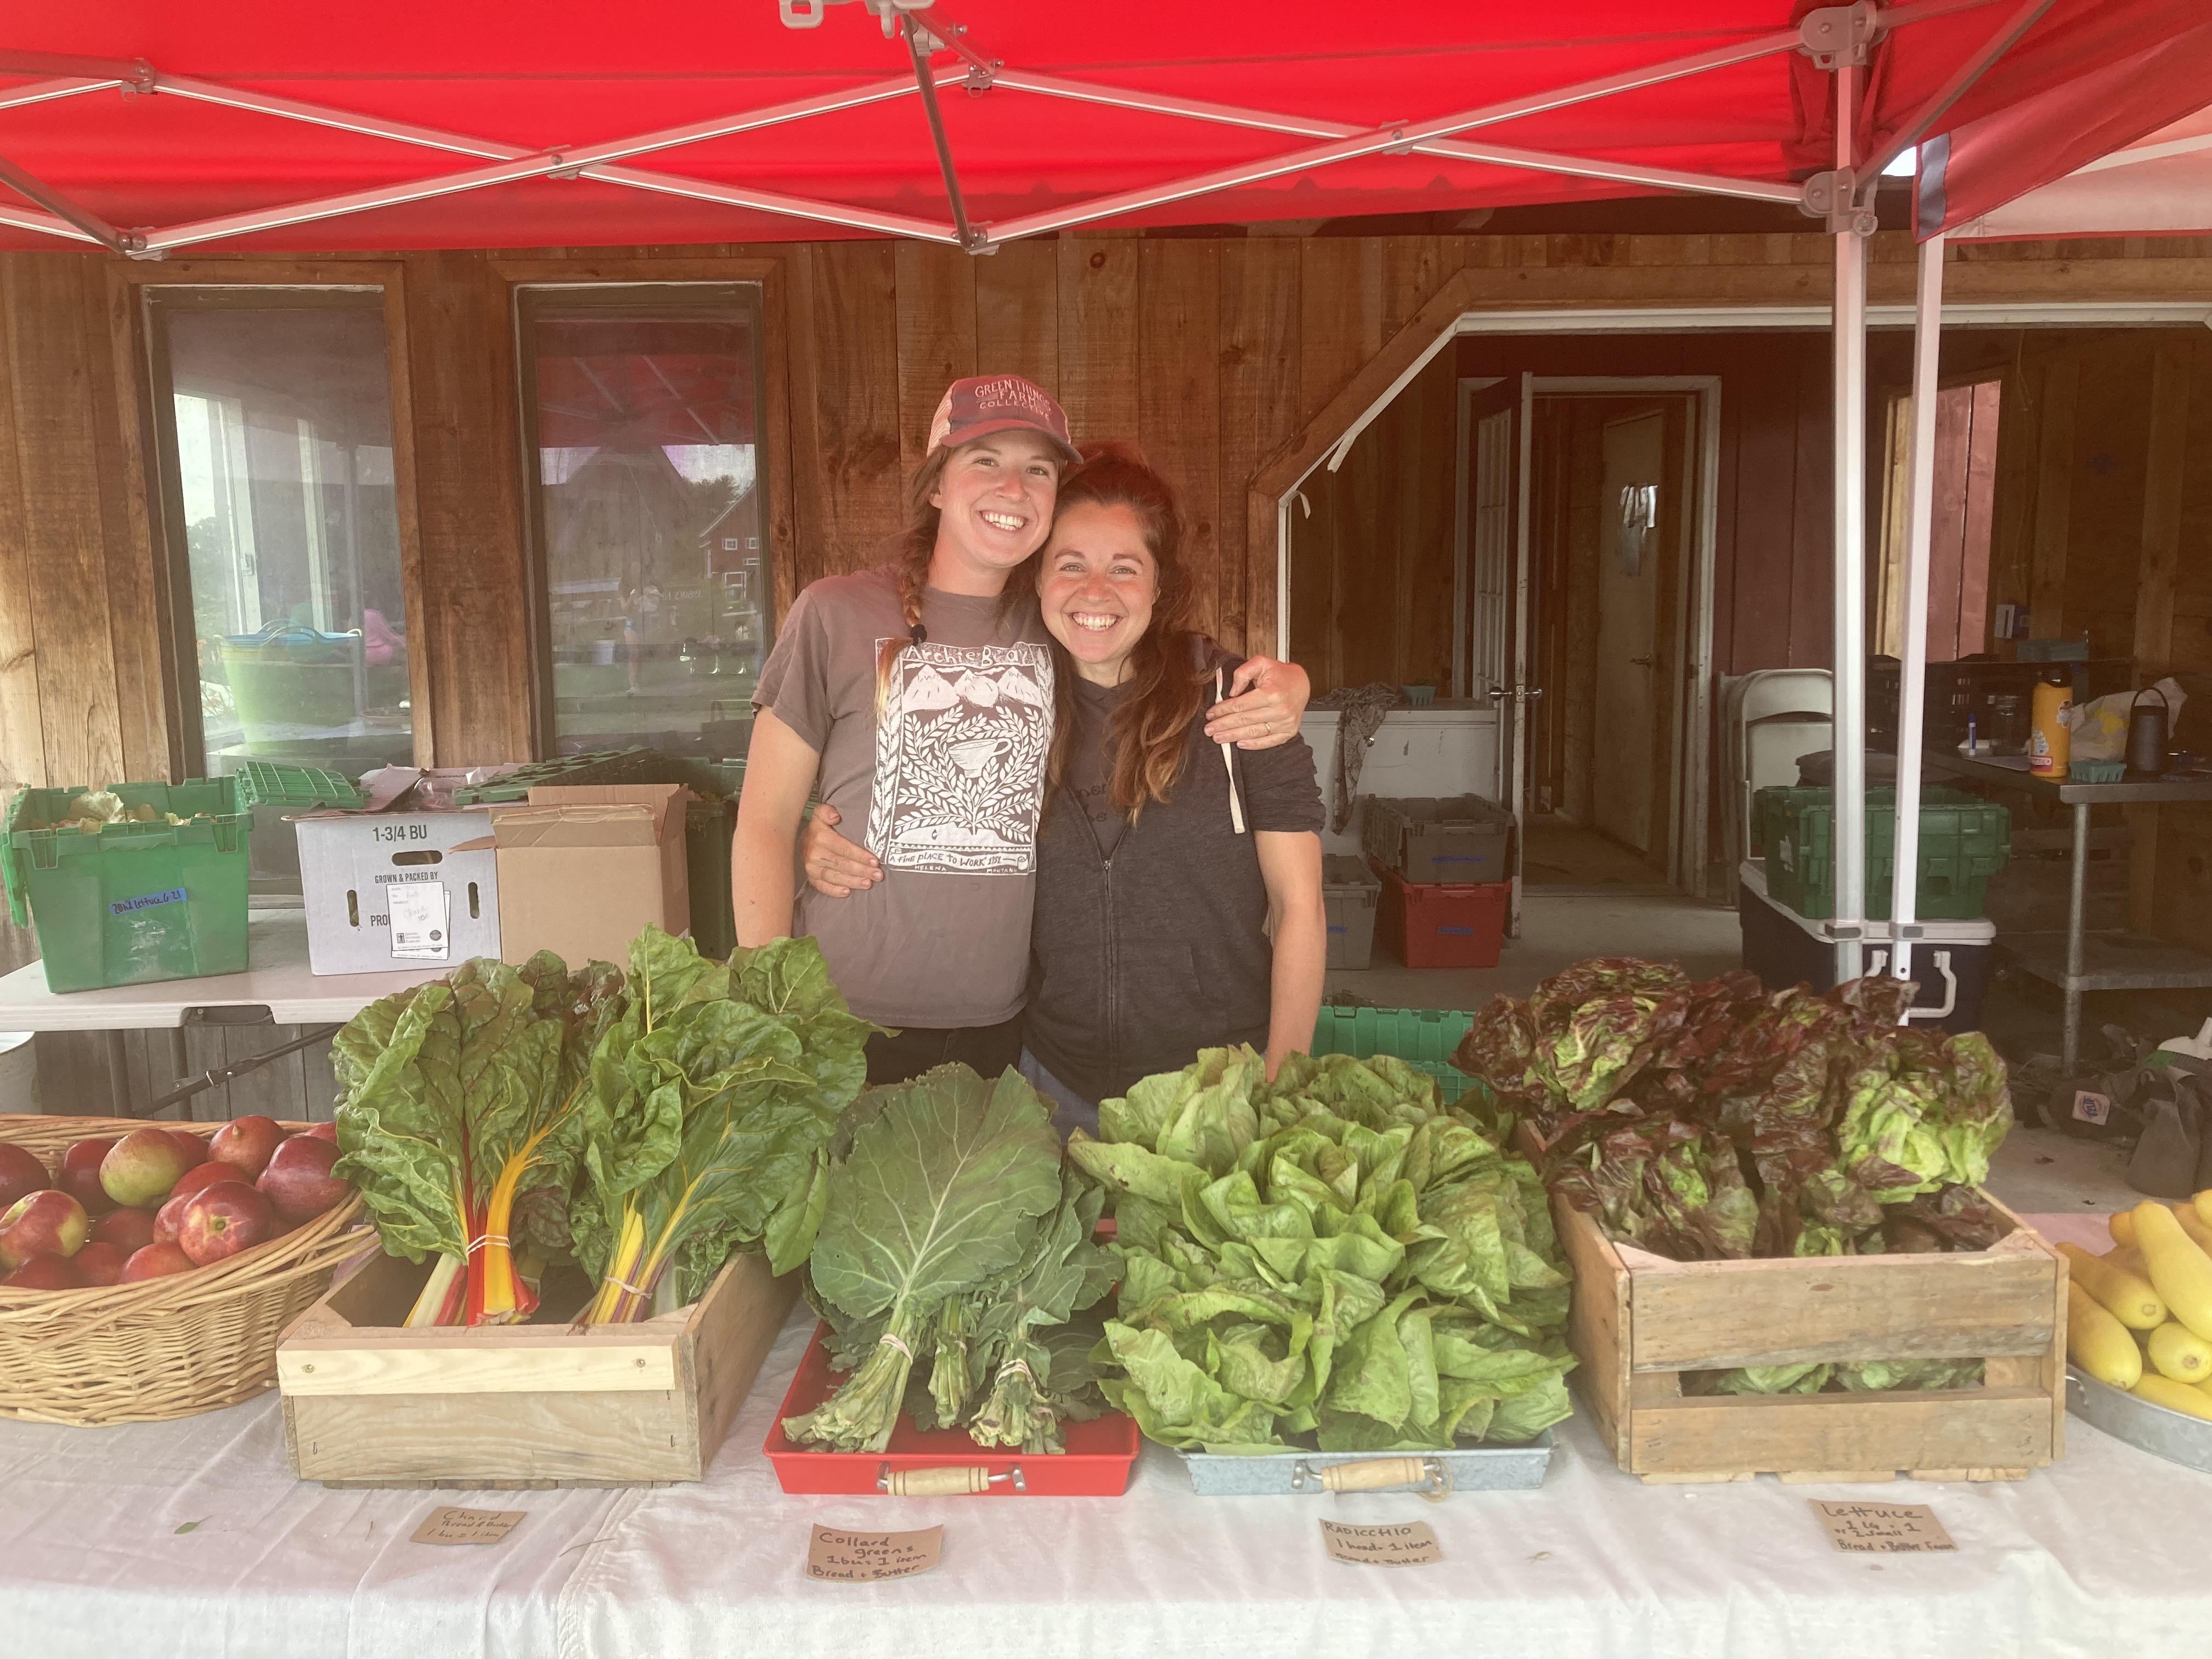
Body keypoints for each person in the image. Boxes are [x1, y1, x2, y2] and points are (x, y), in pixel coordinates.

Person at [735, 374, 1310, 1087]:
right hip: (838, 1014)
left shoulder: (1058, 631)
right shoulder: (834, 613)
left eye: (1037, 469)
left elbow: (1144, 643)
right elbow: (762, 819)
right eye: (985, 459)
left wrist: (1292, 684)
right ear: (936, 483)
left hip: (999, 1029)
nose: (1013, 487)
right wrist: (769, 1017)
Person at [1018, 447, 1325, 1131]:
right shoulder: (1006, 708)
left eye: (1124, 568)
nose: (1094, 592)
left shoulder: (1242, 704)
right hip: (1050, 1086)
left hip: (1212, 1091)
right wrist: (822, 837)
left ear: (1159, 588)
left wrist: (1280, 1086)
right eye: (1071, 565)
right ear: (1037, 580)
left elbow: (1299, 906)